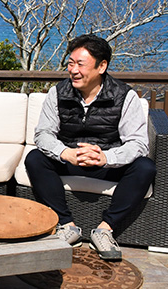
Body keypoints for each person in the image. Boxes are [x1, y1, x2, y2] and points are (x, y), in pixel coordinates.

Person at [25, 34, 156, 261]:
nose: (73, 70)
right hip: (70, 159)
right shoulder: (58, 92)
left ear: (102, 66)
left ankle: (105, 230)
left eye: (80, 64)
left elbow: (137, 142)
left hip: (106, 162)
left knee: (145, 167)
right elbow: (43, 133)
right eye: (70, 63)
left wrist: (106, 157)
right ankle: (67, 226)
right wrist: (66, 153)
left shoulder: (125, 96)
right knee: (35, 158)